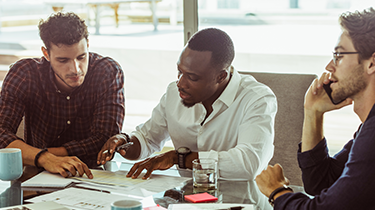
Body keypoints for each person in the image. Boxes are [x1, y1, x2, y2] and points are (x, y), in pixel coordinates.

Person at [97, 28, 277, 180]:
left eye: (192, 77)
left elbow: (250, 163)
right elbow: (148, 139)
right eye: (179, 71)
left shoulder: (257, 99)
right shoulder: (173, 93)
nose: (181, 83)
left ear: (221, 76)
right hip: (186, 199)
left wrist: (180, 158)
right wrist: (124, 143)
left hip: (240, 200)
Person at [255, 7, 375, 209]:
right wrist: (313, 112)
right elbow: (321, 183)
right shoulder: (367, 128)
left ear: (371, 63)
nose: (329, 66)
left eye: (338, 55)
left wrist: (277, 191)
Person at [0, 12, 125, 178]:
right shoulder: (25, 73)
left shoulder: (107, 71)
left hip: (92, 174)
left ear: (87, 45)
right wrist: (44, 159)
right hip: (36, 174)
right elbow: (1, 132)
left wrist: (47, 156)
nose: (75, 69)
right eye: (63, 60)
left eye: (81, 57)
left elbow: (106, 139)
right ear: (46, 54)